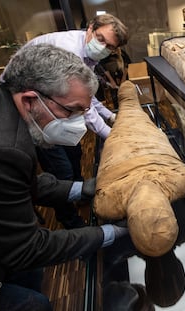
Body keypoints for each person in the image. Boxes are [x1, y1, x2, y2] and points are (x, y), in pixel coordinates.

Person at [0, 43, 128, 311]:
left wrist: (83, 189)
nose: (79, 122)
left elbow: (17, 185)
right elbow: (26, 248)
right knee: (34, 304)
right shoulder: (2, 146)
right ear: (30, 99)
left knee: (31, 274)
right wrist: (112, 232)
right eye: (71, 111)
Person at [24, 13, 129, 228]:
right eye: (100, 39)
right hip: (39, 117)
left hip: (59, 109)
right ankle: (70, 220)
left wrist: (110, 116)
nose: (103, 47)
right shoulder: (69, 51)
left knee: (76, 154)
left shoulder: (88, 56)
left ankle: (82, 194)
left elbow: (86, 96)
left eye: (109, 46)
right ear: (90, 28)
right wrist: (110, 135)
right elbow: (85, 107)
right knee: (61, 171)